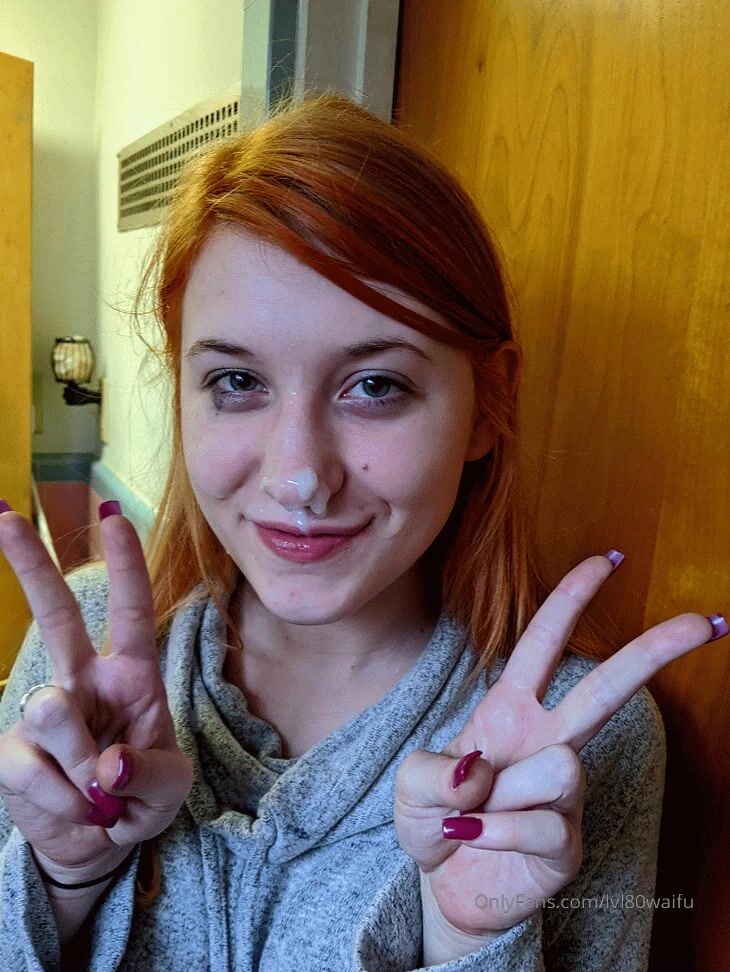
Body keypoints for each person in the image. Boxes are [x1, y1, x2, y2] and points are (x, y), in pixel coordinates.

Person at [0, 92, 725, 971]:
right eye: (236, 382)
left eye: (375, 386)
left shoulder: (579, 737)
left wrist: (469, 940)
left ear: (488, 403)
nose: (298, 477)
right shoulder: (79, 659)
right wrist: (63, 879)